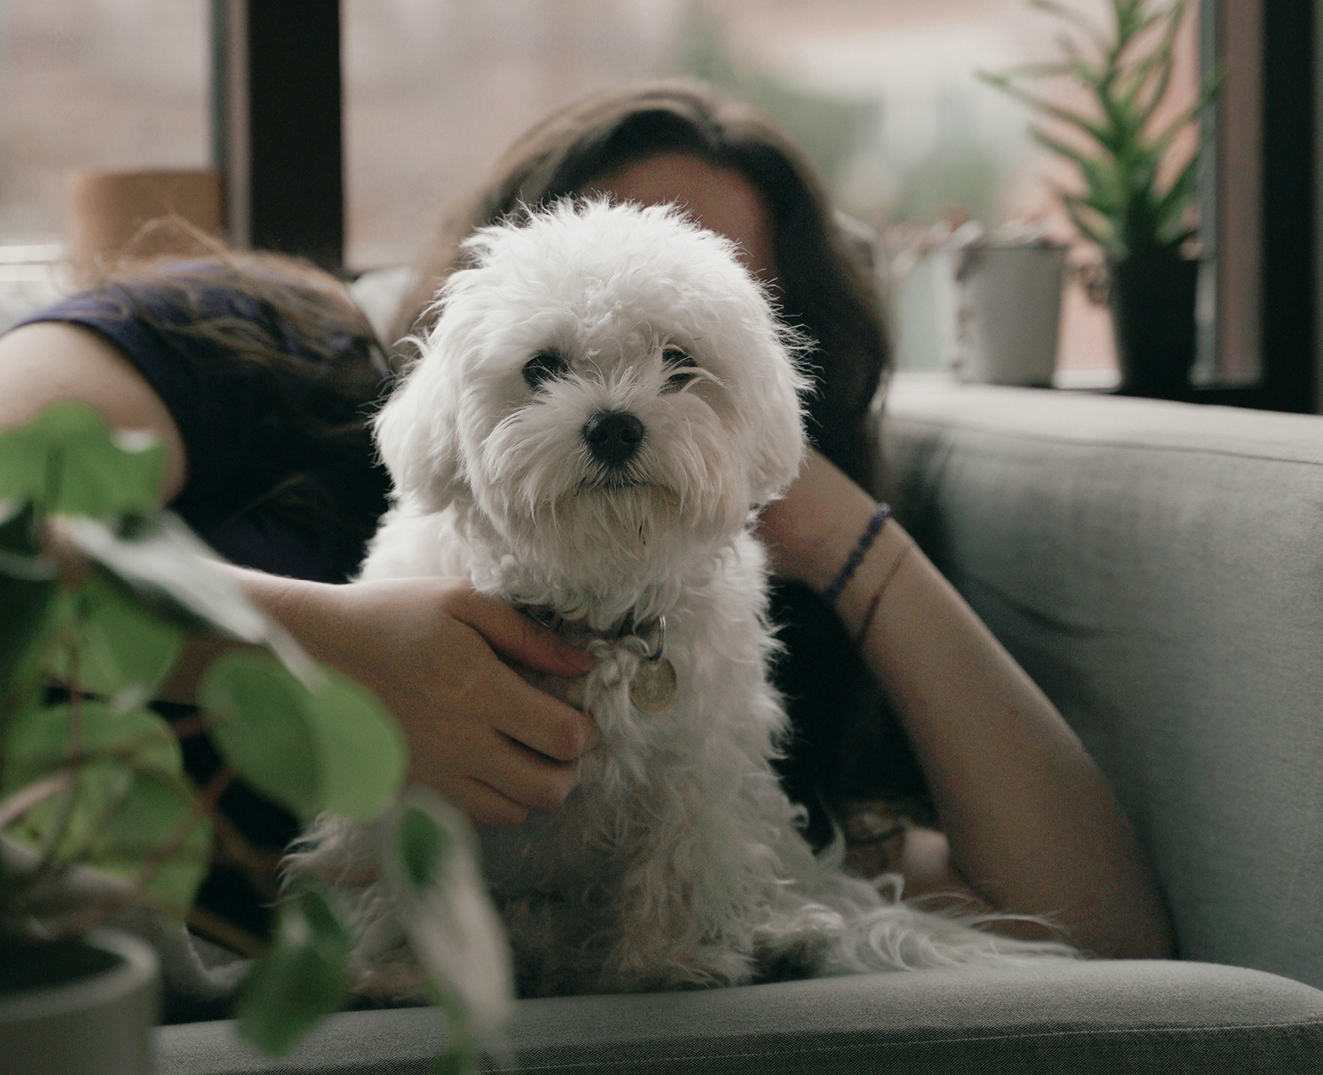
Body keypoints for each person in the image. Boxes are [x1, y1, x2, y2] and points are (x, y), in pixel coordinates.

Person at [0, 81, 1174, 960]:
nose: (619, 401)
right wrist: (331, 650)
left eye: (682, 346)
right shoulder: (245, 344)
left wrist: (853, 544)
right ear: (502, 263)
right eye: (569, 333)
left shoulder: (708, 652)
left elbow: (1109, 945)